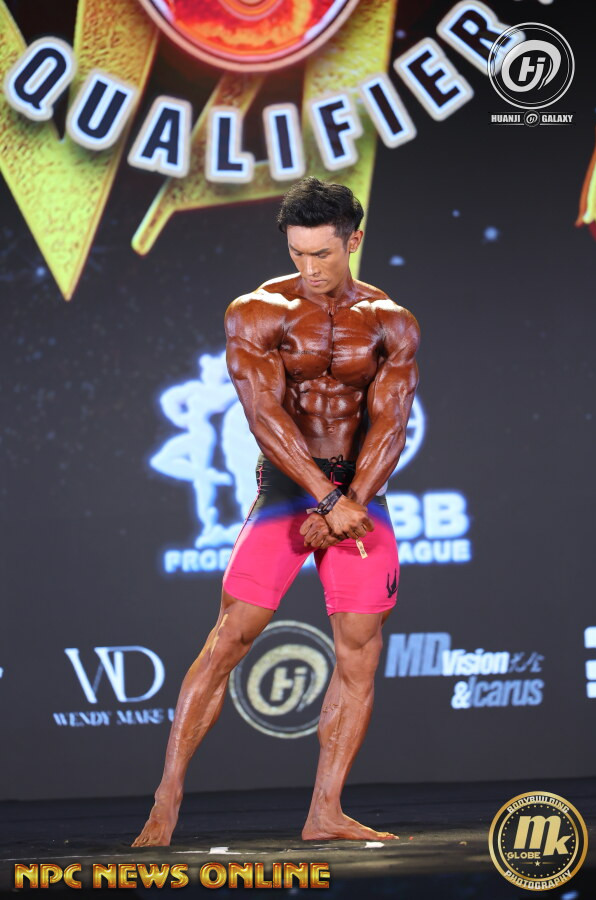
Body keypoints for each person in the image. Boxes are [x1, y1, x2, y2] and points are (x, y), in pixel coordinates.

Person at [132, 176, 420, 847]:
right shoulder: (257, 312)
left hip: (361, 496)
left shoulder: (391, 322)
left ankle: (326, 811)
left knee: (360, 651)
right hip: (289, 492)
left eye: (323, 253)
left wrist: (350, 503)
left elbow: (391, 425)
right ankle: (166, 799)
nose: (310, 268)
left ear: (353, 240)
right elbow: (263, 416)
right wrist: (325, 500)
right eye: (298, 253)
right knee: (231, 636)